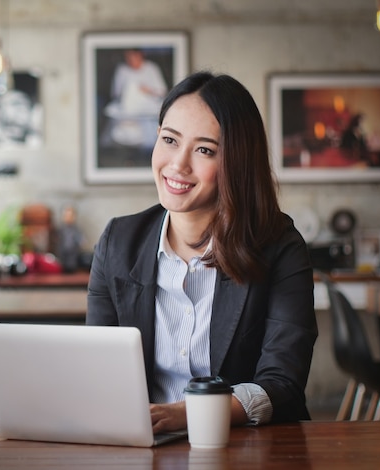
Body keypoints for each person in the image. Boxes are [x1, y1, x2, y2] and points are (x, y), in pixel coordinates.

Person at [86, 71, 318, 434]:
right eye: (169, 140)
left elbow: (283, 385)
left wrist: (189, 414)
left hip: (246, 448)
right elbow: (96, 369)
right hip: (142, 443)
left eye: (204, 150)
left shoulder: (280, 247)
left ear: (236, 163)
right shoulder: (119, 243)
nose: (178, 164)